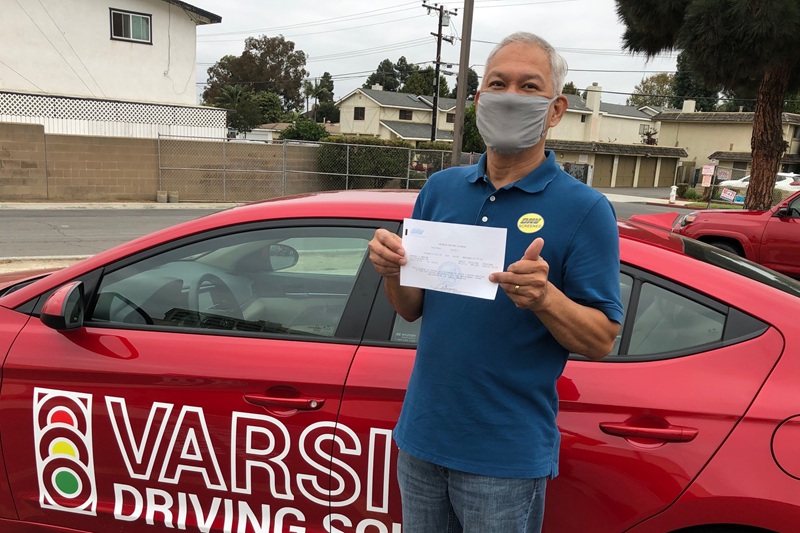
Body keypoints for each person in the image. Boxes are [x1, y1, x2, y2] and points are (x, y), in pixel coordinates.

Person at [368, 31, 623, 533]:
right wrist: (392, 272)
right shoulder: (441, 189)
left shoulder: (585, 209)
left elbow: (601, 340)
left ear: (555, 109)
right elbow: (411, 308)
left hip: (504, 458)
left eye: (530, 86)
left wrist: (546, 299)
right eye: (497, 84)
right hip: (420, 440)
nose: (511, 97)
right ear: (478, 100)